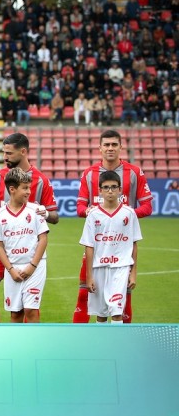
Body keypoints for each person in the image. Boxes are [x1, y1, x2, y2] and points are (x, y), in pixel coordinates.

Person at [0, 133, 58, 323]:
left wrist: (44, 213)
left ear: (23, 152)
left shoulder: (41, 180)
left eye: (9, 153)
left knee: (28, 306)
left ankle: (27, 341)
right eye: (4, 153)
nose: (5, 157)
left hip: (28, 250)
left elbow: (55, 216)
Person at [73, 130, 151, 323]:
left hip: (121, 245)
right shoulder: (89, 173)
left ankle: (122, 339)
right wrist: (90, 212)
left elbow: (147, 206)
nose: (110, 148)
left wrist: (127, 216)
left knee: (124, 297)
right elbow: (80, 207)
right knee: (85, 292)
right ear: (99, 148)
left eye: (114, 144)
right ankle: (77, 338)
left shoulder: (134, 172)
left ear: (120, 147)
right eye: (106, 145)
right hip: (98, 245)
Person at [80, 170, 142, 324]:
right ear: (99, 191)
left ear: (120, 190)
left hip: (120, 268)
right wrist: (89, 276)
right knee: (101, 314)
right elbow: (89, 246)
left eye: (114, 187)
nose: (110, 191)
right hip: (99, 268)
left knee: (116, 311)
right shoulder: (93, 215)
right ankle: (101, 346)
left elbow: (134, 243)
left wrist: (133, 273)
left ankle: (116, 345)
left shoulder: (129, 214)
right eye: (106, 187)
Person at [0, 168, 49, 324]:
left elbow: (43, 239)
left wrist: (32, 266)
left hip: (35, 266)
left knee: (30, 310)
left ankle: (33, 346)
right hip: (13, 268)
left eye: (29, 187)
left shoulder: (36, 210)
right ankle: (16, 346)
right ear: (12, 189)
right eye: (25, 188)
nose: (29, 192)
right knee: (15, 313)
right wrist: (10, 269)